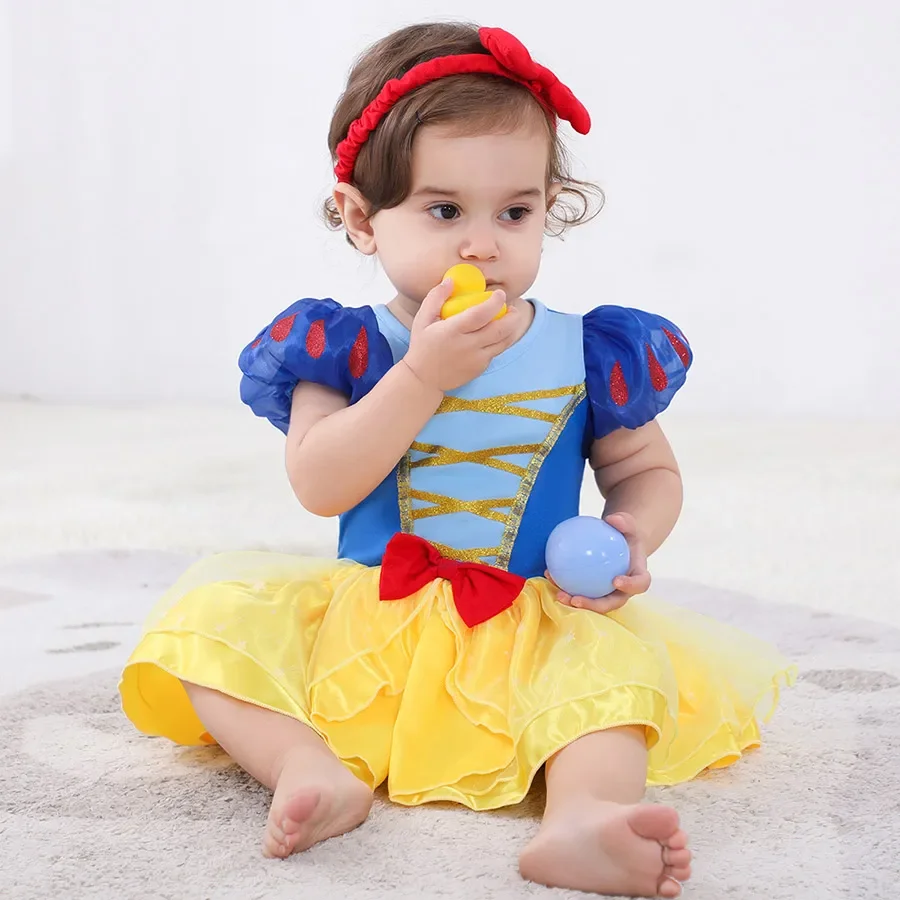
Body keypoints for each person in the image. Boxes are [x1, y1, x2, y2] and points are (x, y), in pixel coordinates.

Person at [119, 21, 795, 898]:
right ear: (361, 218)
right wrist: (420, 376)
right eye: (444, 212)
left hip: (533, 614)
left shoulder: (586, 350)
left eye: (514, 212)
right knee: (205, 624)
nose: (483, 244)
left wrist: (635, 532)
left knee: (616, 681)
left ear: (549, 205)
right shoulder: (344, 345)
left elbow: (646, 472)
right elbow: (321, 483)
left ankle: (584, 817)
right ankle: (307, 768)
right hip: (372, 618)